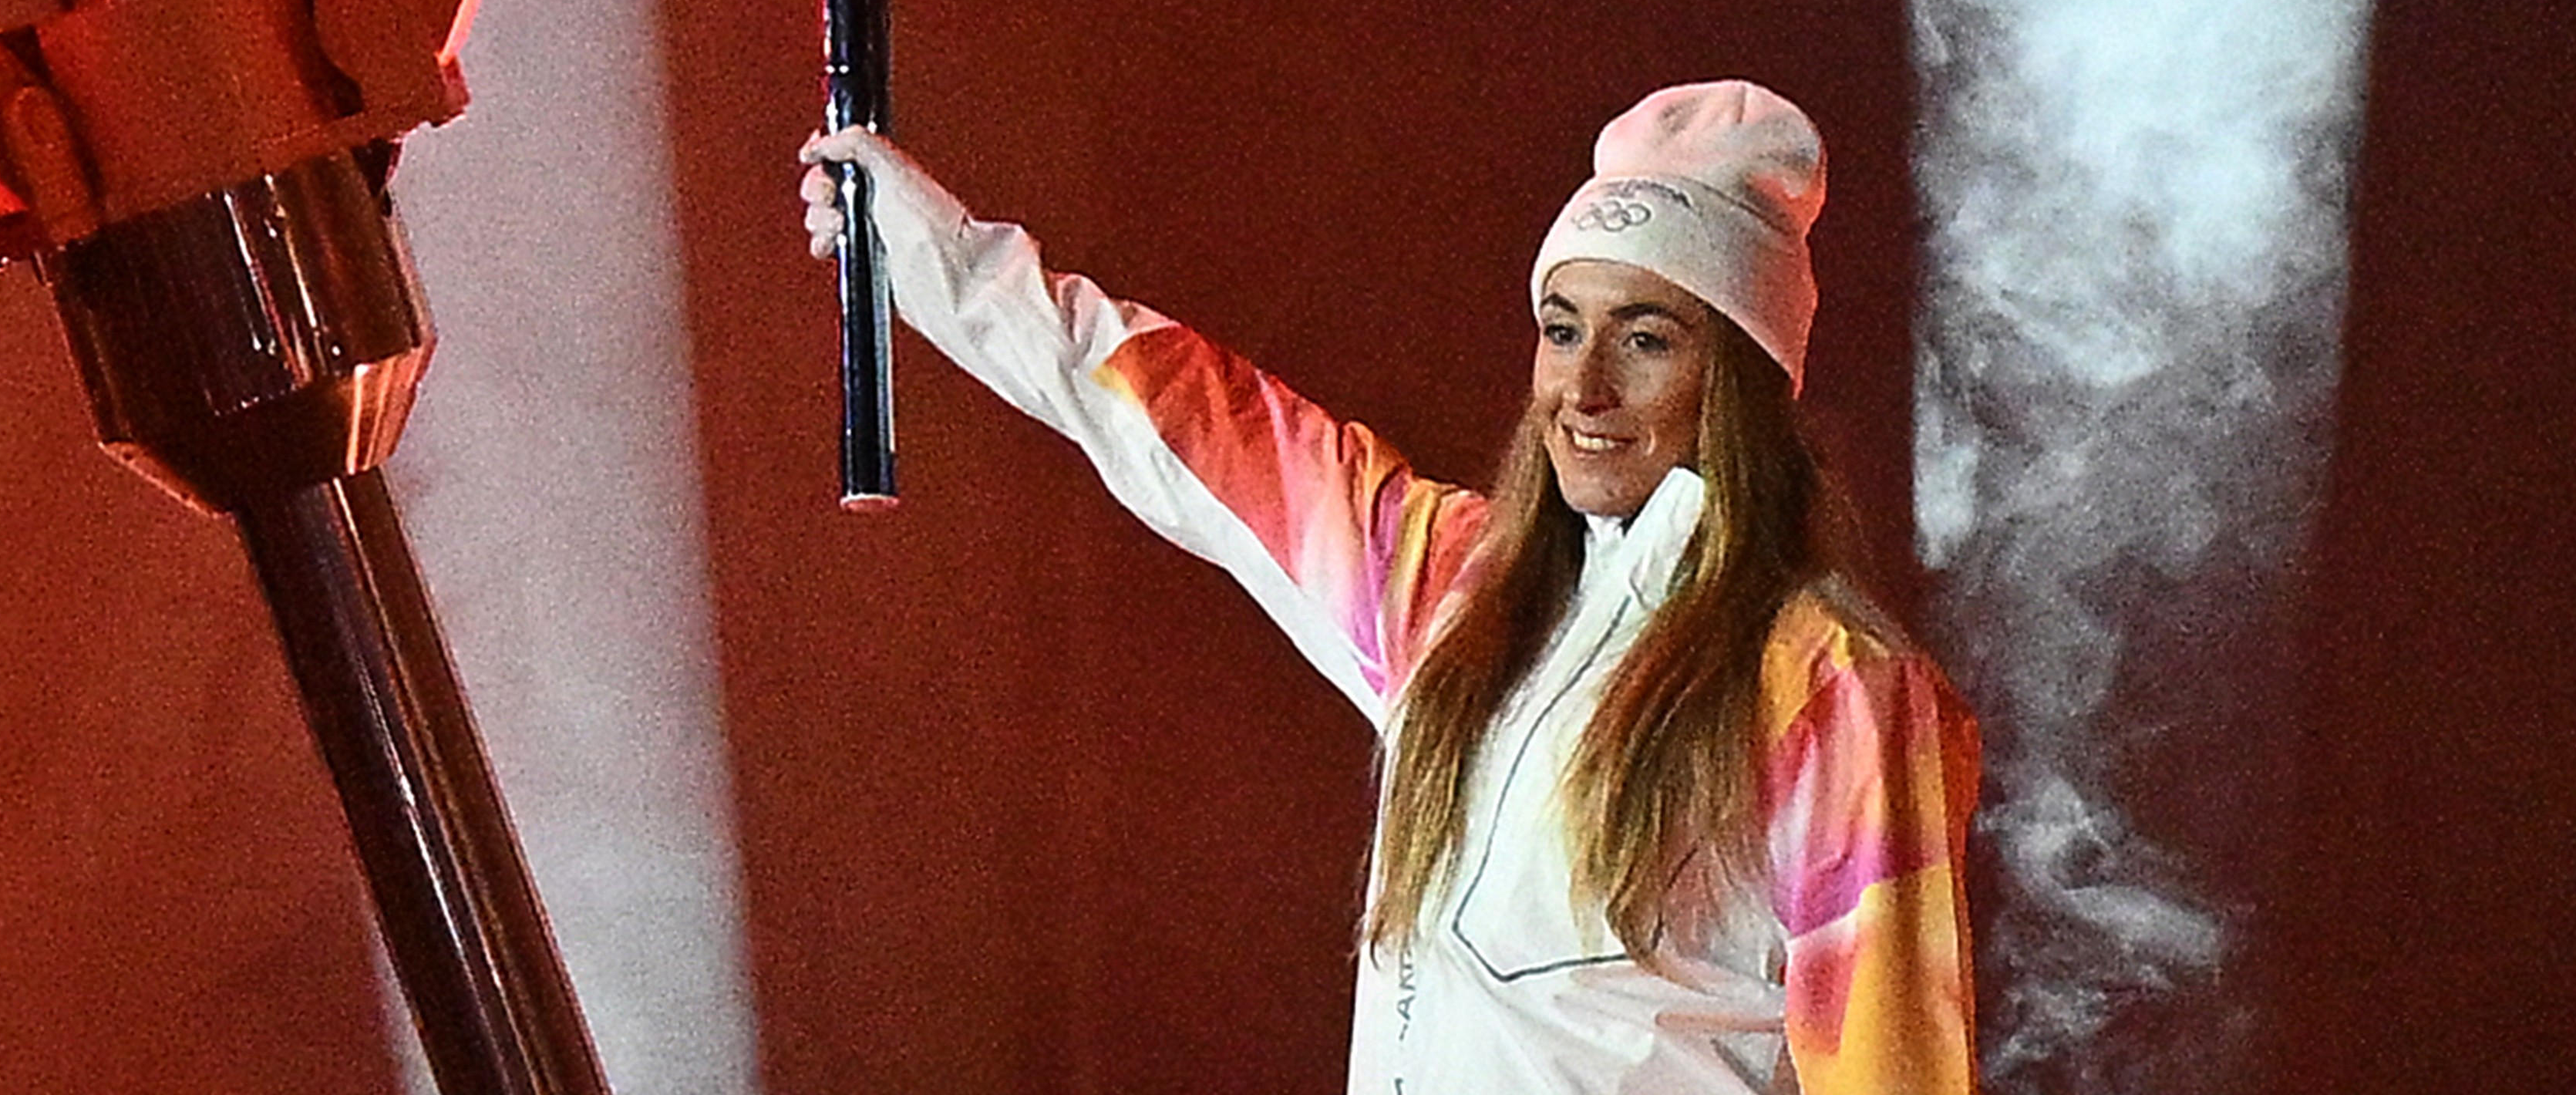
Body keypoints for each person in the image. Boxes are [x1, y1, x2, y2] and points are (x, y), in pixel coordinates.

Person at [803, 83, 1977, 1094]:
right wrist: (931, 259)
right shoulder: (1456, 597)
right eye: (1562, 330)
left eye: (1649, 339)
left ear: (1746, 377)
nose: (1586, 388)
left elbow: (1892, 1067)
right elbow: (1193, 423)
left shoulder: (1832, 686)